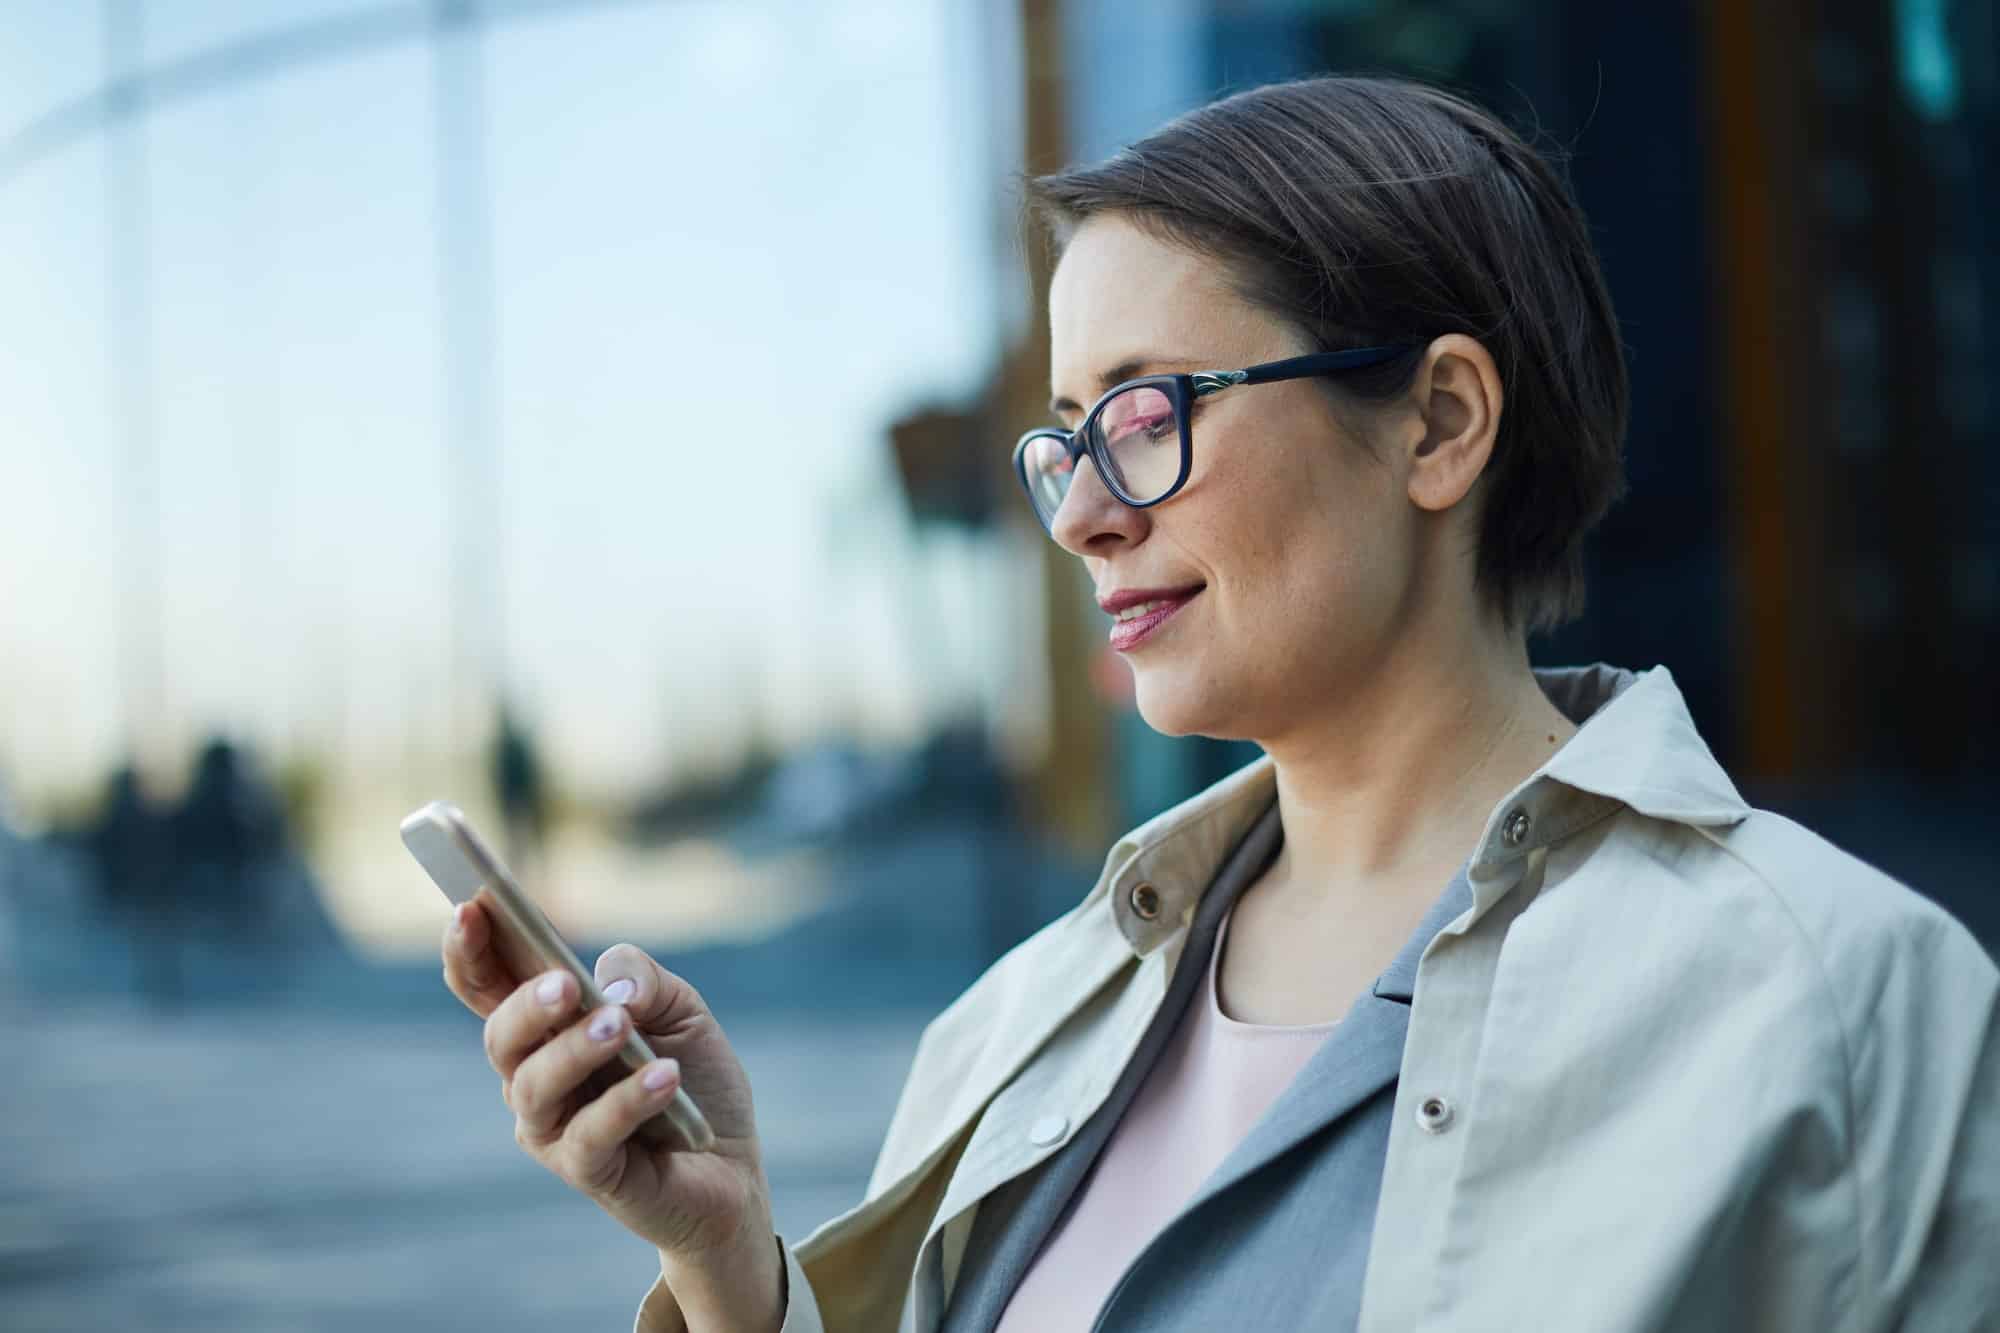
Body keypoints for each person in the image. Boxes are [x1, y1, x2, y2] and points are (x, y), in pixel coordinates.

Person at [440, 76, 1999, 1331]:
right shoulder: (1015, 1023)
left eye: (1146, 414)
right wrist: (731, 1270)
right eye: (1064, 443)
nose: (1083, 516)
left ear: (1440, 423)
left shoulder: (1842, 1006)